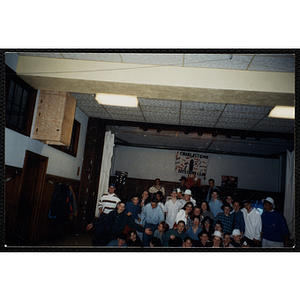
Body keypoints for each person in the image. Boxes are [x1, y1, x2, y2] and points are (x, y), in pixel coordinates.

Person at [86, 201, 152, 246]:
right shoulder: (112, 214)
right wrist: (93, 224)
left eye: (123, 207)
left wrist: (144, 230)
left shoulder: (125, 217)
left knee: (109, 243)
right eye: (120, 206)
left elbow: (133, 225)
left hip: (118, 235)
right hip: (109, 233)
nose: (121, 208)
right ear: (117, 206)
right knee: (95, 240)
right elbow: (103, 221)